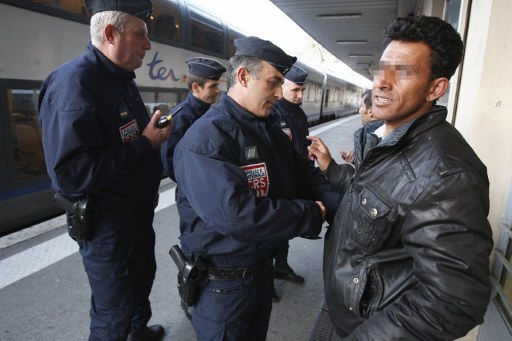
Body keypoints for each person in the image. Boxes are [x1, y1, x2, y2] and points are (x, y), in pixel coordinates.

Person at [308, 15, 493, 340]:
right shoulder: (379, 137)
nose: (381, 82)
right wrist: (333, 170)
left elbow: (454, 299)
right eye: (383, 68)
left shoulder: (445, 172)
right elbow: (378, 198)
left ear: (435, 87)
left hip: (368, 328)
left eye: (403, 72)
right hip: (342, 311)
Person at [173, 36, 342, 341]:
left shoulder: (271, 132)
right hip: (222, 289)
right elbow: (237, 214)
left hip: (259, 277)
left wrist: (345, 211)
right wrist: (310, 214)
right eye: (274, 82)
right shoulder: (207, 139)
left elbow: (306, 177)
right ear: (242, 77)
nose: (280, 93)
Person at [38, 1, 172, 340]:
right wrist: (146, 144)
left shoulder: (120, 80)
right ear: (110, 34)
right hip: (107, 228)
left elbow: (125, 140)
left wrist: (147, 184)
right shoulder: (74, 85)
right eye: (140, 35)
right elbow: (71, 175)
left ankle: (138, 332)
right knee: (113, 312)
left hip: (134, 215)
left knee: (141, 280)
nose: (148, 44)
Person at [270, 64, 310, 286]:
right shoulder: (272, 112)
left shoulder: (299, 113)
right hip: (276, 181)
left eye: (302, 90)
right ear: (282, 85)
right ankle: (267, 278)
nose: (300, 95)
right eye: (295, 90)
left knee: (285, 228)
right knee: (272, 230)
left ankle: (281, 267)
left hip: (294, 178)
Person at [163, 57, 226, 180]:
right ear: (196, 87)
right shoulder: (180, 118)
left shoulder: (210, 112)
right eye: (212, 86)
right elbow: (169, 163)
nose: (218, 91)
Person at [339, 88, 375, 164]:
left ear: (370, 111)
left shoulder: (371, 138)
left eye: (362, 106)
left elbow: (365, 175)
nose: (359, 111)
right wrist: (357, 161)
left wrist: (329, 165)